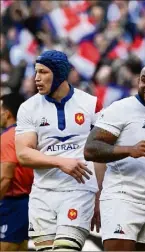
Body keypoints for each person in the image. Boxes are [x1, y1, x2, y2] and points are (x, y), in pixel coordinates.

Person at [83, 61, 145, 251]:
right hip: (123, 198)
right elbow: (90, 149)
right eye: (144, 80)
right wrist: (129, 150)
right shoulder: (121, 108)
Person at [15, 50, 102, 251]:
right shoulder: (28, 108)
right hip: (42, 194)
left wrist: (100, 196)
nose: (37, 78)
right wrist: (61, 162)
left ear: (59, 74)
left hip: (78, 191)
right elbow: (23, 154)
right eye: (36, 72)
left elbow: (100, 154)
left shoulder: (91, 104)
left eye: (43, 72)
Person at [0, 93, 33, 251]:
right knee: (21, 248)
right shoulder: (29, 134)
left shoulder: (7, 138)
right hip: (27, 202)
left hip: (12, 203)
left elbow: (5, 178)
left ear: (7, 114)